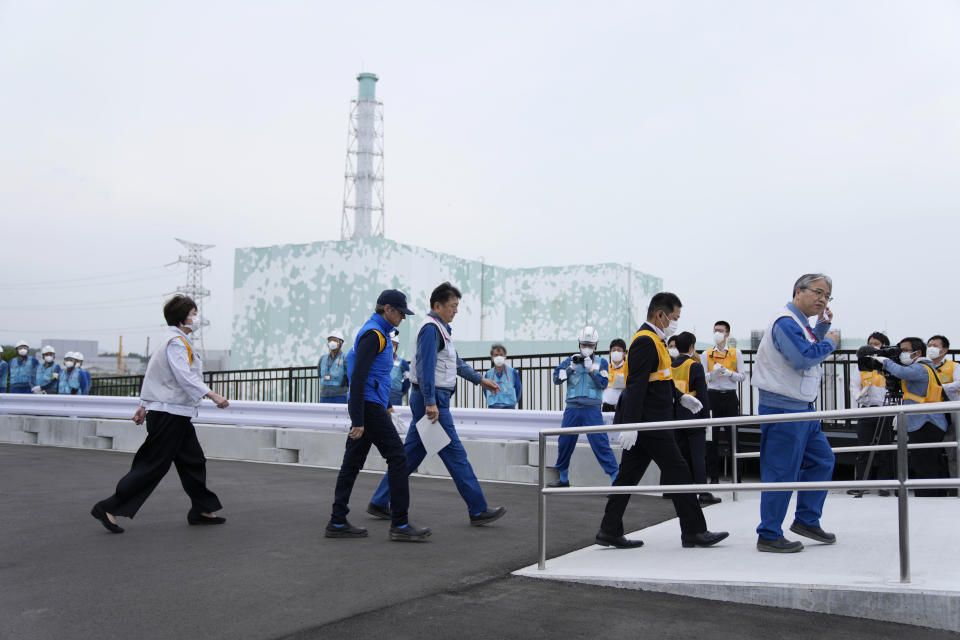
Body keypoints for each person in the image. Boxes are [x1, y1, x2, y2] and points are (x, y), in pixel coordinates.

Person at [596, 292, 728, 549]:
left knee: (626, 478)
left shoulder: (656, 341)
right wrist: (632, 425)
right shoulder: (645, 341)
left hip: (650, 423)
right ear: (660, 315)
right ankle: (694, 531)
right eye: (674, 317)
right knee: (679, 471)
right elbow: (635, 385)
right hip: (649, 424)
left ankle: (609, 529)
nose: (675, 322)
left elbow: (660, 380)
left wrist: (680, 398)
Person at [368, 282, 506, 527]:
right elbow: (425, 367)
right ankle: (478, 508)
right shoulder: (432, 329)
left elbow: (457, 364)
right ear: (437, 305)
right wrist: (431, 402)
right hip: (432, 402)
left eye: (457, 306)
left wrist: (481, 380)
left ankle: (379, 500)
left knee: (410, 455)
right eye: (453, 306)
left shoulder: (441, 330)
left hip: (429, 400)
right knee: (455, 454)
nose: (456, 311)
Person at [91, 296, 230, 534]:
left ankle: (202, 509)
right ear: (182, 317)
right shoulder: (176, 342)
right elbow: (183, 376)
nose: (196, 318)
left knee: (193, 460)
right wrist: (212, 395)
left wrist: (143, 404)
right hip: (169, 414)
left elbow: (155, 374)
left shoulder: (174, 341)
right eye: (193, 313)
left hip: (175, 413)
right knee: (153, 465)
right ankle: (109, 507)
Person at [329, 289, 431, 541]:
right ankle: (400, 524)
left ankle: (337, 522)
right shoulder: (374, 335)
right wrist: (359, 420)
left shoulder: (379, 333)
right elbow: (359, 377)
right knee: (398, 457)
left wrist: (384, 404)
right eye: (401, 313)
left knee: (352, 464)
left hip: (372, 405)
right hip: (367, 407)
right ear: (388, 309)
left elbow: (374, 376)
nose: (403, 319)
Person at [751, 273, 840, 553]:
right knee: (781, 471)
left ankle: (806, 520)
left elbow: (808, 348)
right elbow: (804, 357)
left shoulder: (800, 324)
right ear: (797, 292)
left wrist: (823, 328)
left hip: (803, 407)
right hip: (783, 408)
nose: (822, 299)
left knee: (823, 460)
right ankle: (769, 534)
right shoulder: (785, 322)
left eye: (827, 296)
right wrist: (832, 342)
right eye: (818, 292)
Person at [874, 338, 949, 497]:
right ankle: (938, 496)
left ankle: (928, 499)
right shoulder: (922, 366)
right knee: (929, 461)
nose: (902, 354)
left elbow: (902, 373)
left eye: (905, 350)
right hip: (924, 422)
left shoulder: (921, 368)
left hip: (926, 422)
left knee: (924, 464)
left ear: (918, 352)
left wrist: (885, 362)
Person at [548, 326, 619, 488]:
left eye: (591, 345)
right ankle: (563, 479)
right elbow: (556, 379)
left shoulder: (601, 362)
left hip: (592, 408)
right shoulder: (570, 360)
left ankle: (616, 478)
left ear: (596, 345)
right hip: (572, 407)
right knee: (565, 441)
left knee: (600, 442)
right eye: (584, 344)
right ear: (579, 344)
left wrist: (591, 370)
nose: (587, 348)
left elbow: (603, 383)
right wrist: (570, 368)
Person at [671, 331, 720, 506]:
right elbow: (703, 395)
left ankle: (681, 490)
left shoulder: (671, 365)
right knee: (698, 456)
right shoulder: (695, 366)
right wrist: (706, 419)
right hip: (693, 415)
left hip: (675, 416)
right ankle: (703, 492)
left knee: (681, 455)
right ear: (692, 347)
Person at [847, 332, 894, 496]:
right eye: (870, 343)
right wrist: (858, 396)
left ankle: (885, 484)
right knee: (864, 447)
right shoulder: (861, 366)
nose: (873, 346)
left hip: (886, 409)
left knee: (885, 448)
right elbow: (854, 385)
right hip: (867, 409)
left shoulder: (888, 364)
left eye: (877, 343)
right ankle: (861, 483)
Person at [701, 321, 745, 484]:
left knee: (733, 436)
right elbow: (703, 377)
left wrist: (728, 373)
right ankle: (713, 477)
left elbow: (742, 376)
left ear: (727, 334)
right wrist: (713, 373)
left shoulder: (736, 353)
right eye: (715, 330)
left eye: (720, 331)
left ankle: (737, 477)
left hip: (730, 397)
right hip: (712, 397)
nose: (717, 333)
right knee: (712, 439)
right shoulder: (706, 354)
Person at [928, 335, 959, 484]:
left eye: (935, 345)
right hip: (931, 414)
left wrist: (938, 389)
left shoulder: (954, 366)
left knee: (953, 451)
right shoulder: (924, 367)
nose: (931, 348)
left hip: (952, 414)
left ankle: (955, 485)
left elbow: (958, 384)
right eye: (929, 345)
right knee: (934, 451)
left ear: (944, 350)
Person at [483, 343, 522, 409]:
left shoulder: (512, 372)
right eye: (496, 355)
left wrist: (513, 402)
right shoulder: (488, 374)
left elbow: (518, 389)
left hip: (509, 407)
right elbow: (485, 390)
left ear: (505, 357)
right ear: (492, 358)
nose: (499, 357)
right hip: (493, 406)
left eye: (501, 355)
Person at [318, 331, 348, 404]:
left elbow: (349, 375)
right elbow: (319, 373)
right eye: (330, 340)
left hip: (340, 396)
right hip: (324, 395)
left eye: (334, 340)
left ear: (341, 343)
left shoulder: (345, 358)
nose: (331, 342)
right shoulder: (323, 358)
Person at [602, 338, 628, 413]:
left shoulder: (629, 368)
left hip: (623, 407)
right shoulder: (604, 368)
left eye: (619, 350)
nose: (616, 352)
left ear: (624, 353)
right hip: (606, 408)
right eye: (613, 350)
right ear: (610, 353)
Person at [388, 332, 411, 407]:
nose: (391, 347)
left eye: (393, 344)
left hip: (396, 396)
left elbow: (407, 380)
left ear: (396, 347)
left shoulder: (402, 362)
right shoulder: (380, 361)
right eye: (390, 344)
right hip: (382, 394)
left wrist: (400, 393)